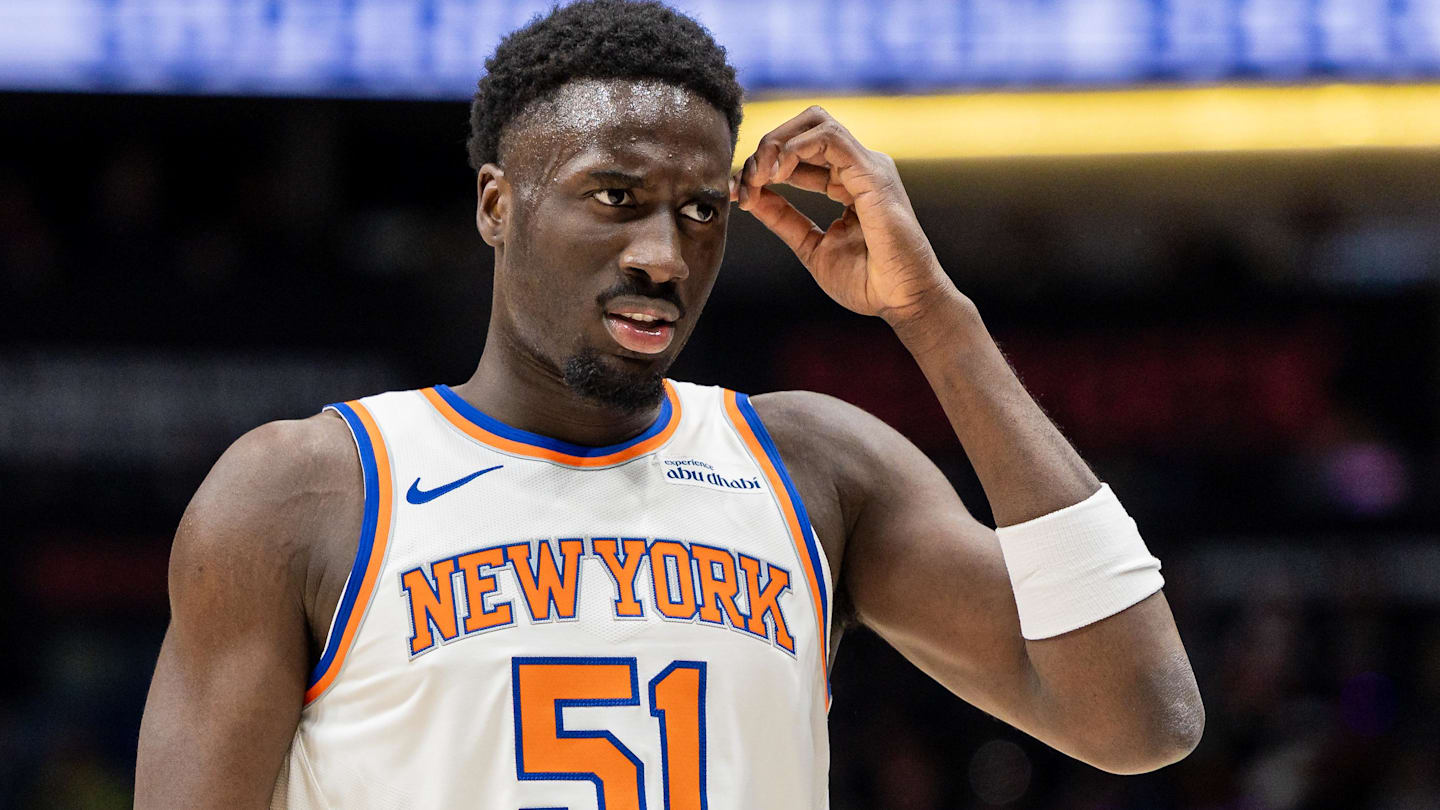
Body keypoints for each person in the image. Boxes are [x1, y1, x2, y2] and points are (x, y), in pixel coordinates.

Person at [134, 1, 1203, 807]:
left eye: (700, 211)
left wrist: (933, 315)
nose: (664, 255)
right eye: (617, 198)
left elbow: (1142, 718)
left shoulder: (816, 467)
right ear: (498, 203)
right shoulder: (304, 493)